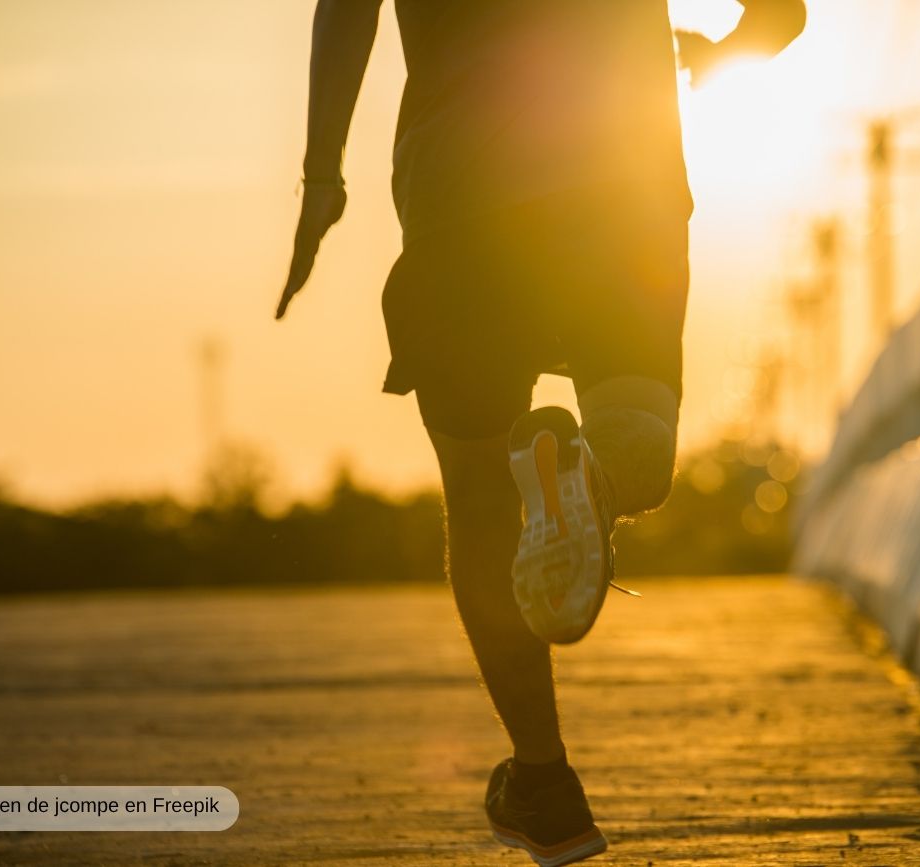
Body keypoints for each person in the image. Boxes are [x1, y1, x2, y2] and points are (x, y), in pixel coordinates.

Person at [275, 2, 805, 864]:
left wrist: (322, 176)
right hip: (622, 186)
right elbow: (783, 14)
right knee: (638, 440)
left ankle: (545, 784)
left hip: (462, 191)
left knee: (483, 496)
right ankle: (591, 475)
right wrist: (724, 52)